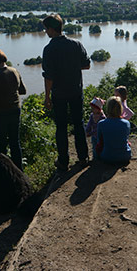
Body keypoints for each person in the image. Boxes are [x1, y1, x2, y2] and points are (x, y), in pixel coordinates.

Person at [42, 14, 91, 171]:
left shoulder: (49, 49)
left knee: (61, 128)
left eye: (46, 29)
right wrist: (73, 67)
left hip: (59, 94)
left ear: (51, 29)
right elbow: (87, 65)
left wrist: (47, 97)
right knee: (79, 124)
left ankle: (63, 162)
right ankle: (83, 158)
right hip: (76, 90)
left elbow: (48, 77)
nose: (46, 32)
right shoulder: (76, 44)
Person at [0, 48, 27, 170]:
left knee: (1, 146)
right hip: (15, 110)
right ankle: (19, 171)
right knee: (15, 142)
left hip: (0, 114)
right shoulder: (15, 71)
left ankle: (4, 172)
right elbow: (23, 91)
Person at [96, 96, 132, 164]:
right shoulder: (126, 123)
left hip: (107, 157)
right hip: (125, 156)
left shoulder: (101, 124)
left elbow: (99, 141)